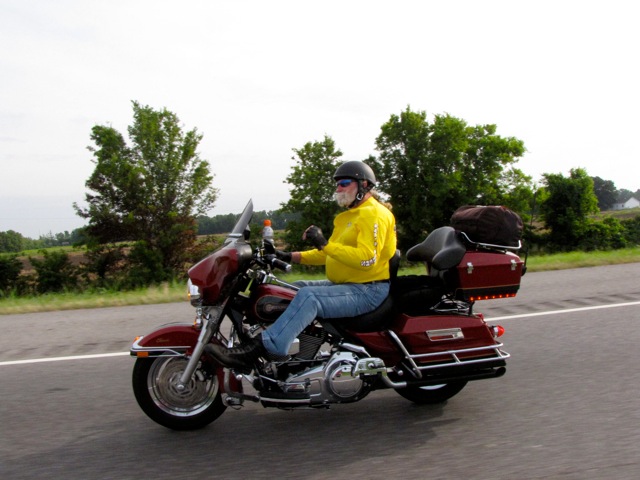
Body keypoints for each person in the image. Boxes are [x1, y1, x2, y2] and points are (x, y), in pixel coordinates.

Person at [205, 161, 397, 370]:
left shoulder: (374, 214)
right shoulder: (349, 216)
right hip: (348, 284)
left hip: (368, 290)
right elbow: (329, 254)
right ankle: (295, 355)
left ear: (364, 185)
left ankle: (264, 347)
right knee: (290, 289)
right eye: (337, 184)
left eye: (344, 183)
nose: (338, 188)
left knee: (309, 297)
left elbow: (367, 259)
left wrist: (323, 243)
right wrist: (288, 256)